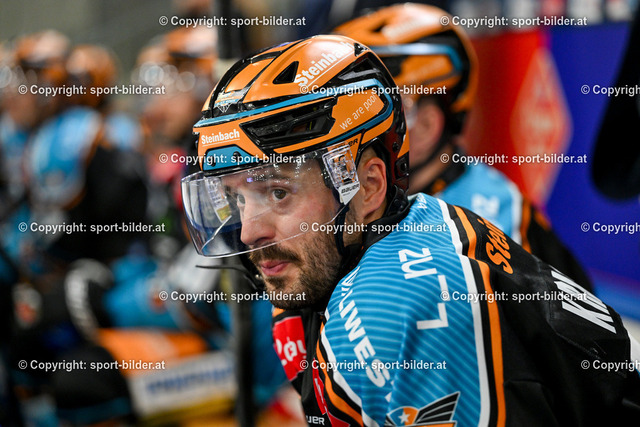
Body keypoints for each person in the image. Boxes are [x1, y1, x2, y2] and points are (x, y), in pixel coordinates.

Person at [182, 34, 640, 425]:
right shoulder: (337, 267)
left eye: (279, 192)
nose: (249, 232)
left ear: (368, 187)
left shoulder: (395, 305)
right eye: (238, 199)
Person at [333, 3, 594, 291]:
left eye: (372, 116)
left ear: (428, 125)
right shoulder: (381, 198)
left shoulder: (489, 224)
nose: (347, 134)